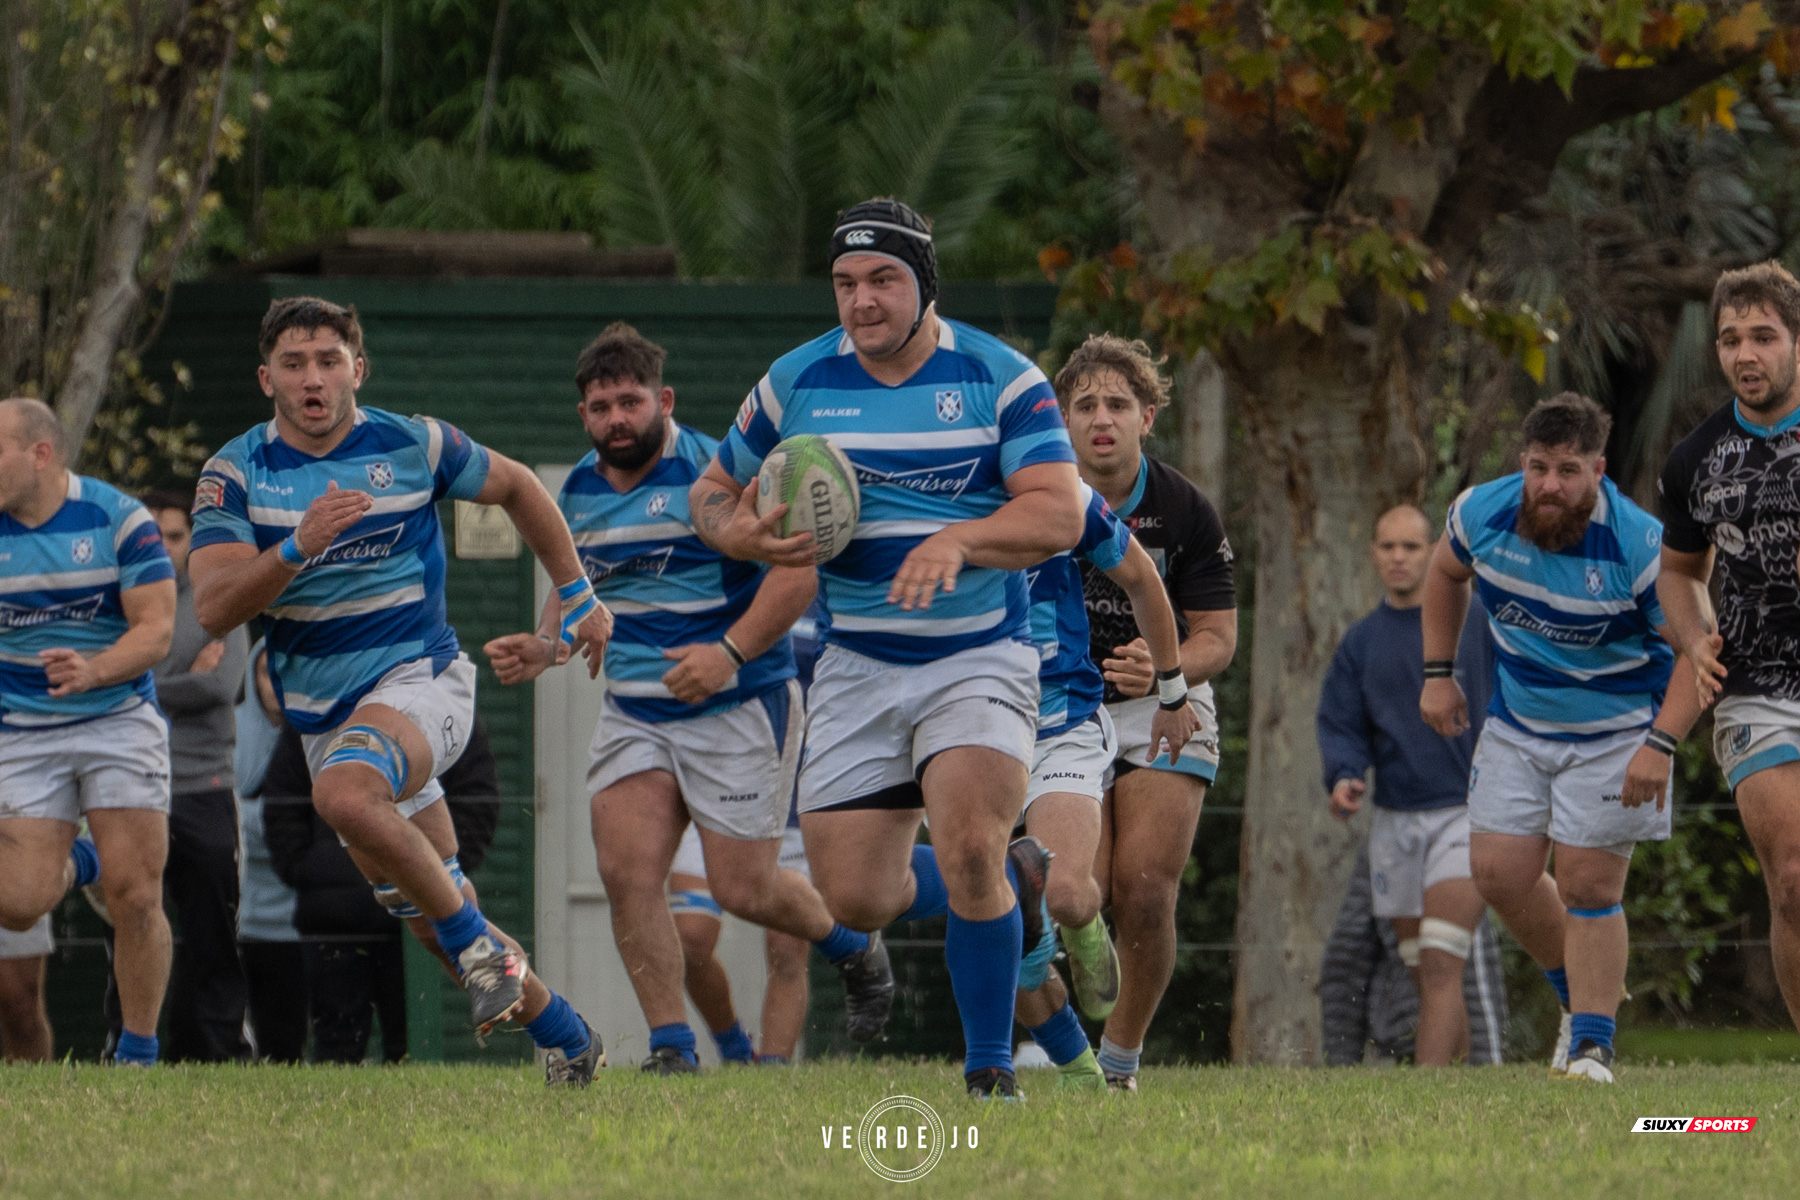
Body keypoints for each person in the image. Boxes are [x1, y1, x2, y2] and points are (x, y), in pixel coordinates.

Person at [690, 199, 1086, 1099]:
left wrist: (960, 540)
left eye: (882, 279)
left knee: (970, 842)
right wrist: (738, 532)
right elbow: (711, 491)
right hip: (857, 664)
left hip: (978, 655)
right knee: (856, 898)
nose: (861, 300)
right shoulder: (795, 381)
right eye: (845, 283)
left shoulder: (1000, 377)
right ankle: (1015, 884)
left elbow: (1060, 514)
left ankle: (989, 1073)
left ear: (924, 284)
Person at [188, 296, 609, 1086]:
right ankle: (568, 1035)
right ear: (266, 379)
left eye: (328, 360)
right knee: (434, 917)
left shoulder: (415, 444)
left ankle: (481, 952)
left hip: (422, 681)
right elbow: (213, 607)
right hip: (328, 719)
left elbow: (519, 487)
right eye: (293, 363)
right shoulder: (235, 473)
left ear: (359, 368)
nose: (313, 378)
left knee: (345, 797)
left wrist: (576, 591)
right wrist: (296, 547)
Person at [491, 321, 887, 1074]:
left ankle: (851, 943)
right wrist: (548, 645)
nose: (617, 420)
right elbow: (578, 589)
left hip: (738, 705)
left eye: (630, 402)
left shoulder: (719, 477)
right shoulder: (576, 491)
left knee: (746, 889)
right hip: (636, 711)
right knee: (626, 873)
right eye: (601, 407)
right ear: (583, 416)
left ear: (664, 401)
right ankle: (672, 1046)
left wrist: (726, 654)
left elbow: (798, 575)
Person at [1421, 392, 1704, 1084]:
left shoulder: (1638, 545)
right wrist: (1437, 675)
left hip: (1617, 730)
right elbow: (1444, 573)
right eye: (1539, 467)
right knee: (1497, 873)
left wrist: (1660, 745)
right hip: (1519, 723)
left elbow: (1699, 654)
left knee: (1588, 882)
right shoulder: (1481, 513)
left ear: (1598, 471)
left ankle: (1592, 1049)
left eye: (1569, 470)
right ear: (1522, 462)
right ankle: (1578, 998)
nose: (1550, 485)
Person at [1059, 335, 1239, 1091]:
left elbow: (1219, 639)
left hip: (1166, 703)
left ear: (1148, 417)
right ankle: (1060, 1021)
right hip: (1064, 706)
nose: (1101, 418)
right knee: (1081, 891)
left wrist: (1166, 672)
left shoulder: (1184, 508)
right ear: (1063, 421)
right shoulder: (1035, 496)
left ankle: (1120, 1062)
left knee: (1144, 889)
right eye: (1085, 405)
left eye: (1118, 404)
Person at [0, 397, 176, 1067]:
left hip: (115, 718)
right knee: (18, 905)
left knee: (138, 895)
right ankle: (89, 858)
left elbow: (156, 630)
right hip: (22, 729)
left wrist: (94, 669)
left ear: (39, 454)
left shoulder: (118, 518)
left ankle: (137, 1054)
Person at [1011, 472, 1201, 1087]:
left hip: (1062, 720)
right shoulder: (925, 494)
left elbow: (1143, 577)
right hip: (969, 728)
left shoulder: (1061, 494)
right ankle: (1065, 1072)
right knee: (991, 913)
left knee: (1066, 894)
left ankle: (1081, 925)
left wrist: (1173, 689)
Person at [1659, 260, 1800, 1033]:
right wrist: (1692, 638)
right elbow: (1680, 573)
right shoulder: (1695, 460)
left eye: (1764, 337)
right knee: (1793, 883)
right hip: (1757, 685)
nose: (1746, 354)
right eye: (1730, 339)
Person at [1317, 504, 1493, 1066]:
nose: (1398, 557)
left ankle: (1430, 1090)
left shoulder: (1477, 620)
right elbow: (1341, 723)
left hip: (1467, 813)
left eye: (1411, 547)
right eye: (1388, 546)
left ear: (1434, 551)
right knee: (1424, 970)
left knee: (1443, 960)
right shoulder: (1361, 643)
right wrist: (1344, 775)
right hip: (1394, 821)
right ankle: (1459, 1083)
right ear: (1373, 552)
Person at [264, 711, 502, 1063]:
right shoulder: (321, 706)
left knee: (412, 1042)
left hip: (416, 912)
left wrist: (435, 877)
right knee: (336, 1041)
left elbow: (477, 799)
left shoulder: (439, 708)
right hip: (335, 914)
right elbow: (283, 799)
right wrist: (312, 870)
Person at [140, 488, 252, 1062]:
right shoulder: (116, 603)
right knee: (132, 921)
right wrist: (182, 676)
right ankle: (129, 1045)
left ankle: (215, 1052)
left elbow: (219, 686)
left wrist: (138, 682)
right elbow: (96, 681)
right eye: (151, 534)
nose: (163, 546)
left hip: (204, 787)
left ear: (192, 540)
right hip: (134, 787)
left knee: (212, 928)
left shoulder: (218, 601)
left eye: (175, 535)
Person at [1319, 841, 1508, 1067]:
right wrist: (1340, 1063)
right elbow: (1345, 962)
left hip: (1463, 1050)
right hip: (1406, 1039)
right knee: (1431, 962)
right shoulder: (1383, 845)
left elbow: (1477, 974)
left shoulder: (1460, 842)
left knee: (1444, 961)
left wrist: (1485, 1061)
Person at [667, 819, 813, 1064]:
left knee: (786, 950)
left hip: (786, 820)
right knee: (689, 942)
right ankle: (736, 1049)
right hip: (712, 813)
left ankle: (773, 1070)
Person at [234, 641, 308, 1063]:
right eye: (265, 674)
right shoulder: (232, 732)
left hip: (301, 921)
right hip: (242, 919)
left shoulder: (315, 738)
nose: (275, 686)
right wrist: (281, 826)